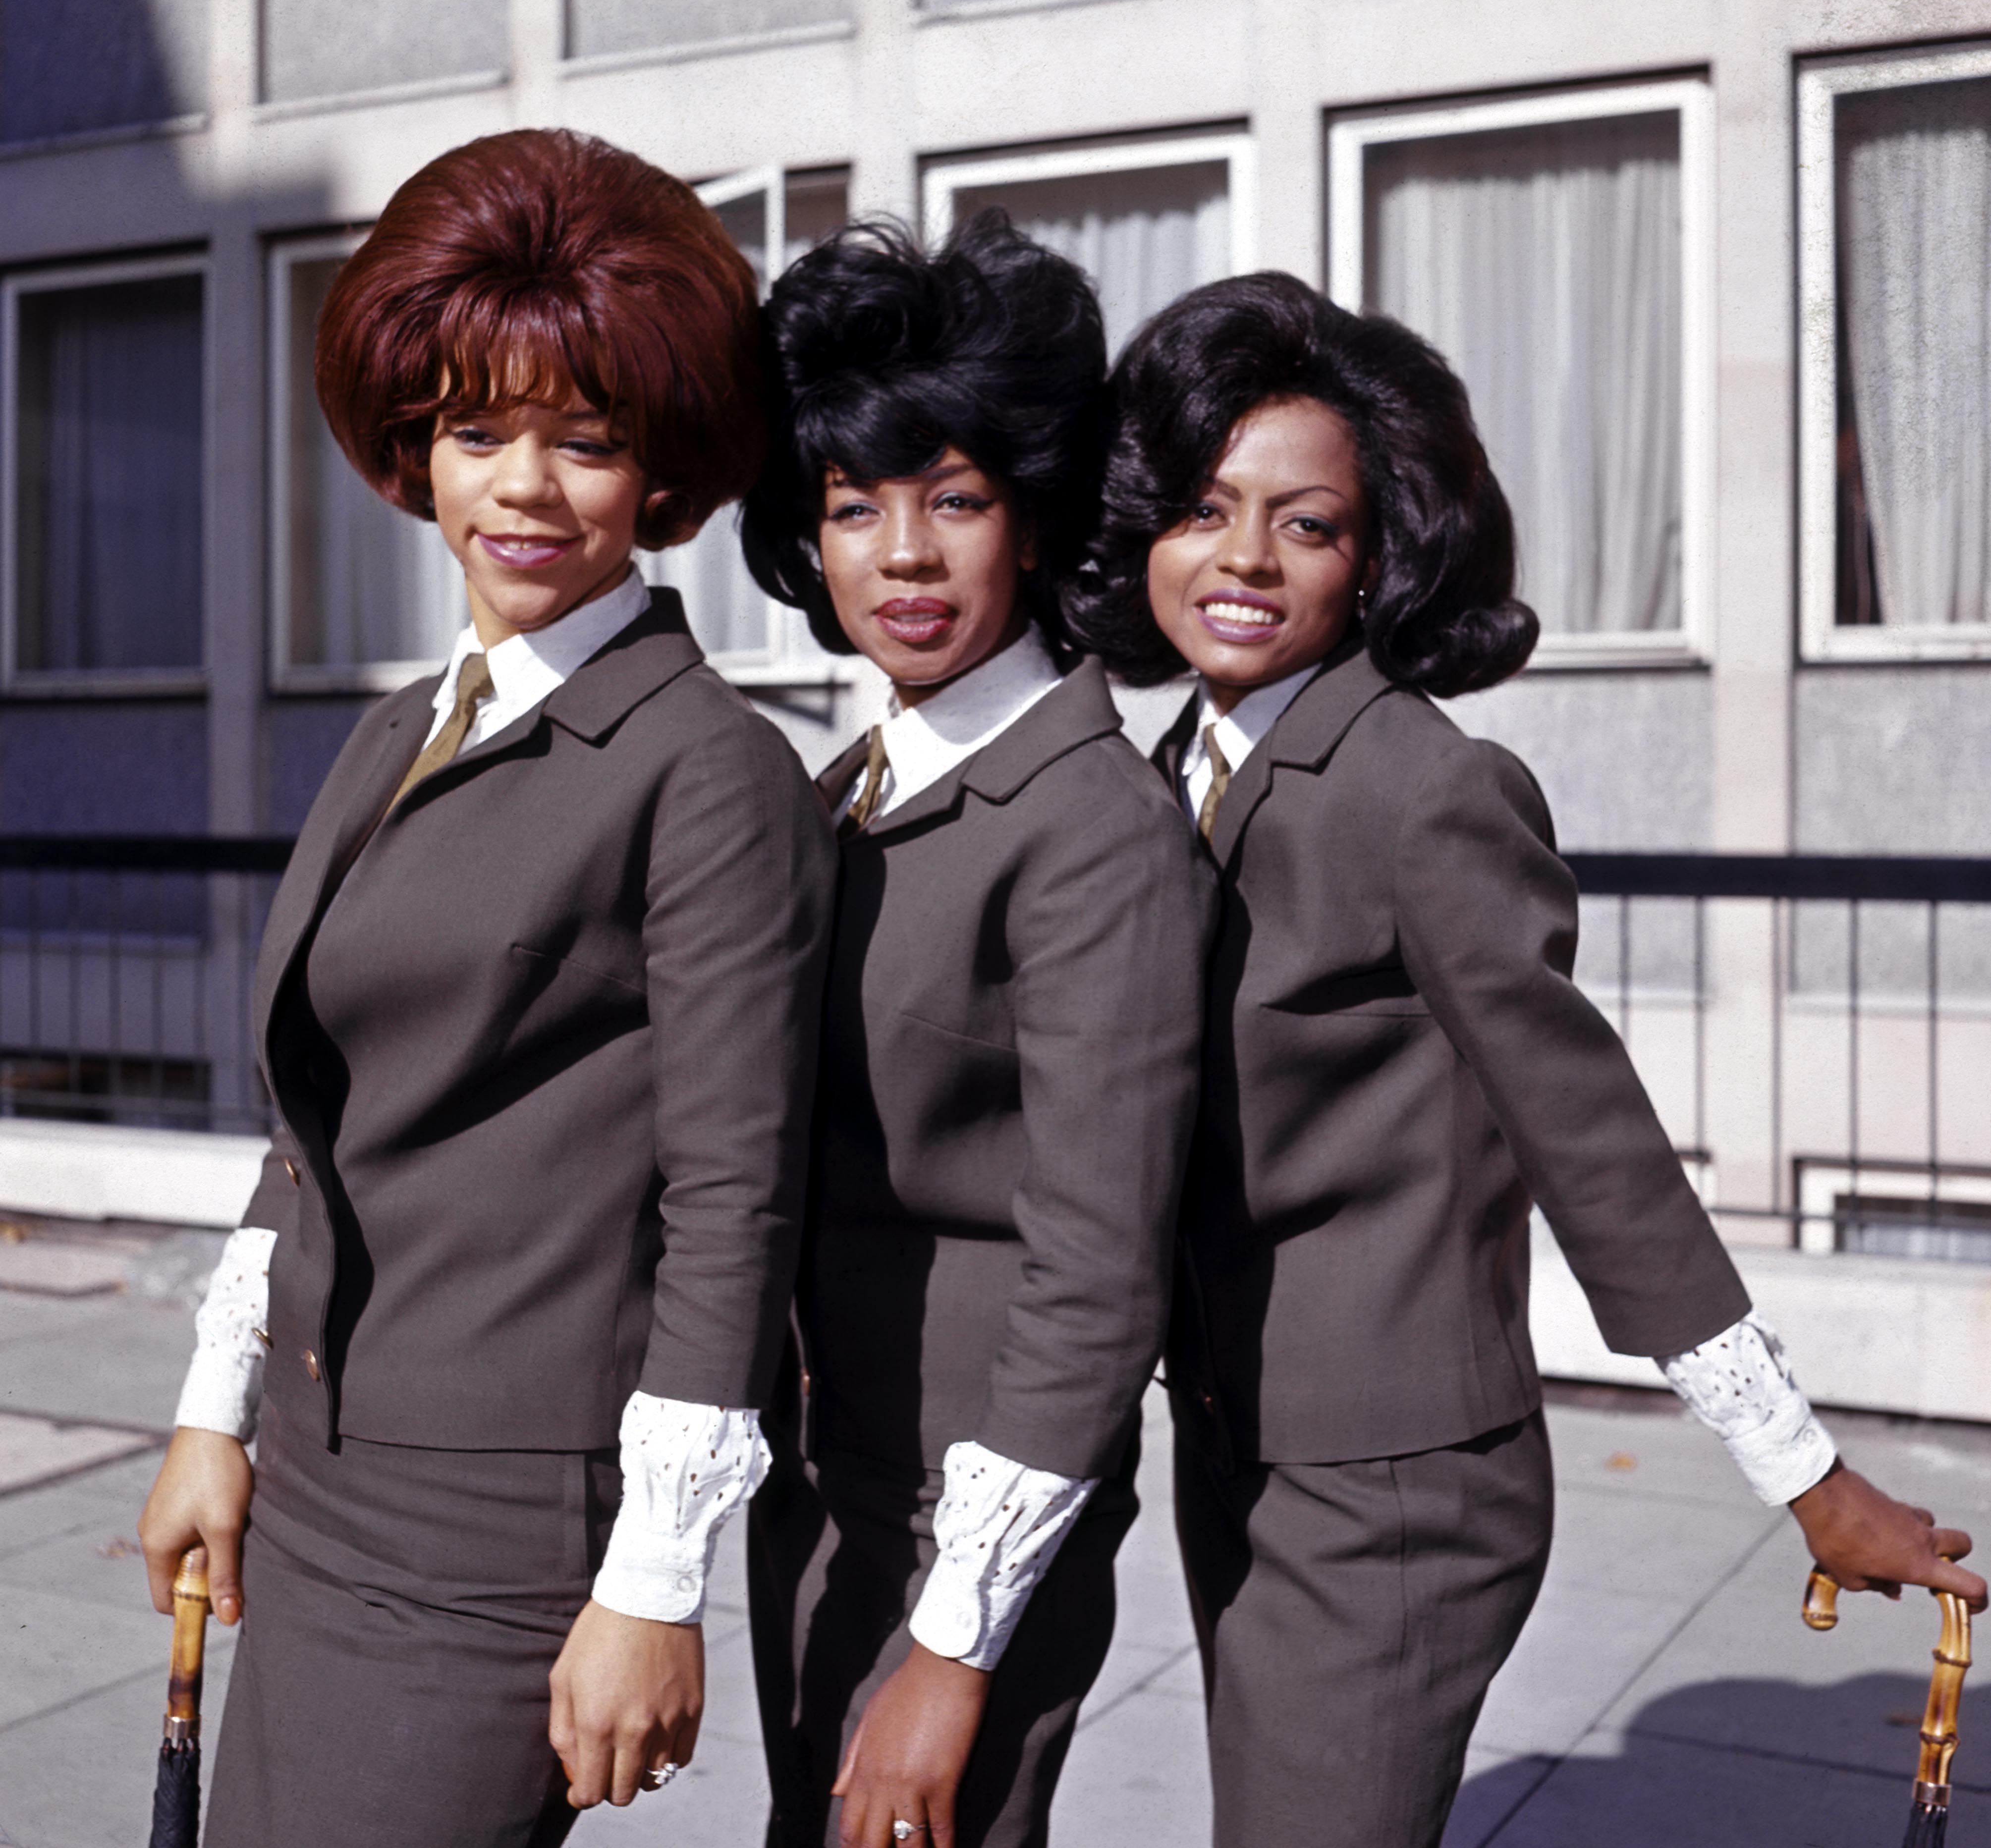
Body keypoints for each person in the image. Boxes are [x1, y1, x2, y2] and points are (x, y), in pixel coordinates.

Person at [1064, 271, 1989, 1848]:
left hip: (1397, 1488)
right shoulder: (1172, 767)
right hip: (1245, 1443)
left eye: (1306, 524)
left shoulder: (1422, 789)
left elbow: (1595, 1149)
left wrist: (1807, 1479)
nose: (1239, 560)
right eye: (1205, 507)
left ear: (1378, 559)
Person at [135, 128, 837, 1848]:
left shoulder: (707, 770)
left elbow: (735, 1199)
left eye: (584, 441)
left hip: (500, 1529)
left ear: (661, 473)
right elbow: (319, 1117)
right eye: (474, 430)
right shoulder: (402, 722)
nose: (523, 487)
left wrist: (655, 1583)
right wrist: (211, 1417)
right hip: (311, 1475)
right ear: (412, 448)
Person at [738, 213, 1215, 1848]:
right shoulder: (849, 787)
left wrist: (952, 1646)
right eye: (854, 507)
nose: (904, 556)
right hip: (823, 1479)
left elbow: (1098, 1271)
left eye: (952, 498)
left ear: (1033, 513)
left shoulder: (1092, 826)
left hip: (972, 1514)